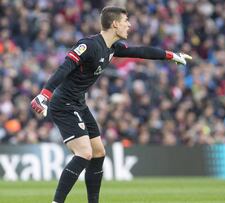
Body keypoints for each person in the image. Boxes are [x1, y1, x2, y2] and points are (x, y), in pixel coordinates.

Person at [30, 6, 191, 203]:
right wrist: (45, 94)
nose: (130, 25)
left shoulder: (112, 48)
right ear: (114, 24)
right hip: (63, 104)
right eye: (126, 21)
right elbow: (64, 68)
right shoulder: (89, 45)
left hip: (79, 103)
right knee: (84, 153)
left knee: (99, 153)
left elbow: (141, 51)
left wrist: (171, 55)